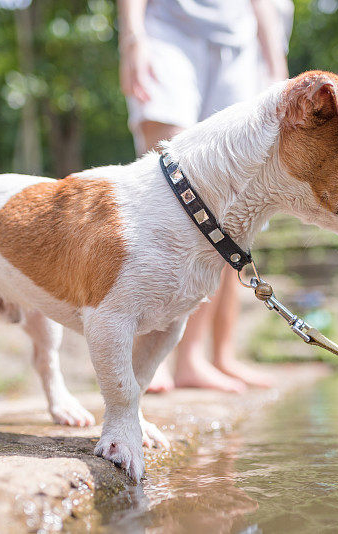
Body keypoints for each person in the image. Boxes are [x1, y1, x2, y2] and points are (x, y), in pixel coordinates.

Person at [117, 0, 293, 392]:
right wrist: (133, 36)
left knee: (233, 203)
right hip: (166, 28)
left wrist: (276, 67)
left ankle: (198, 358)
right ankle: (148, 355)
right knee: (165, 187)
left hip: (240, 40)